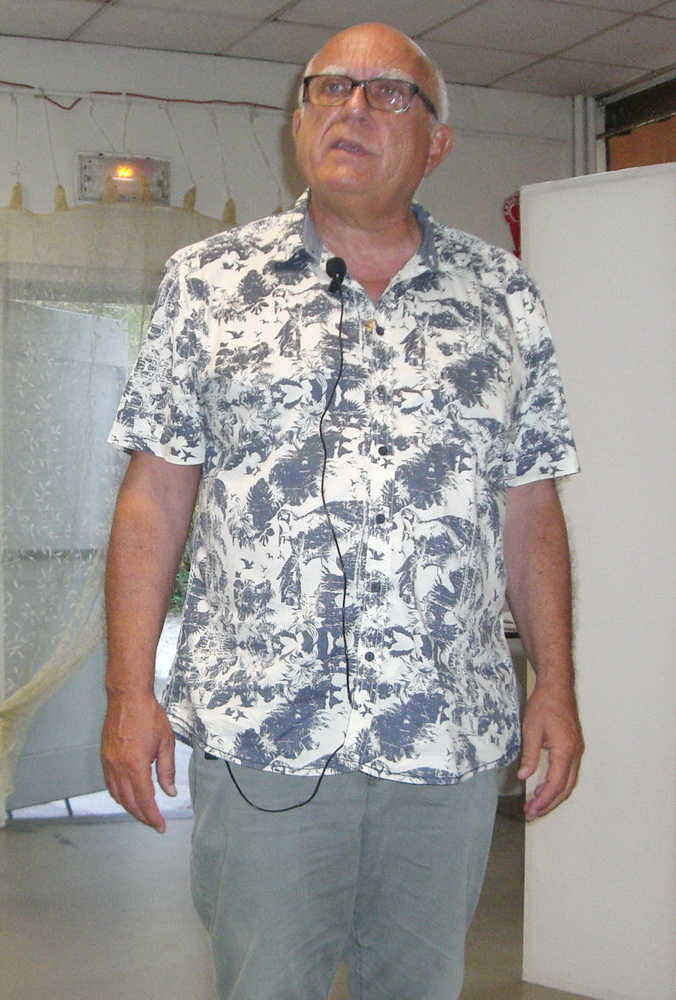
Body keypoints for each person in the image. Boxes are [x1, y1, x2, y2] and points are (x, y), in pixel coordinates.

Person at [101, 22, 584, 1000]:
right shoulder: (210, 283)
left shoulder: (502, 296)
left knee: (417, 985)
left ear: (436, 142)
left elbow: (530, 508)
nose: (352, 107)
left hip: (443, 734)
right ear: (298, 122)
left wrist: (557, 684)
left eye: (387, 92)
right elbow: (154, 498)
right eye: (329, 88)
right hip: (263, 735)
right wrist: (126, 691)